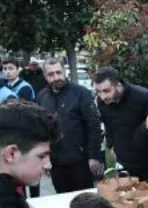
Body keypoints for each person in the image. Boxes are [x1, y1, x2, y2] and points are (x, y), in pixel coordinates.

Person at [36, 58, 103, 193]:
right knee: (62, 204)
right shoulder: (42, 97)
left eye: (58, 72)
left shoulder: (81, 93)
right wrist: (44, 159)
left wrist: (93, 156)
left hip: (80, 161)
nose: (56, 77)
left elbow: (93, 125)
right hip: (56, 163)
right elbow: (41, 131)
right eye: (51, 74)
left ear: (64, 71)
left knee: (86, 204)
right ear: (45, 76)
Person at [94, 66, 148, 178]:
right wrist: (110, 144)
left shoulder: (145, 98)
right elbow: (108, 125)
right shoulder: (102, 101)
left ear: (118, 85)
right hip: (123, 163)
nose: (102, 96)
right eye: (98, 91)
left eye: (106, 91)